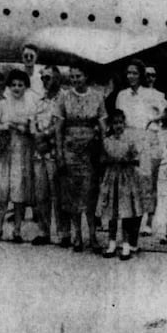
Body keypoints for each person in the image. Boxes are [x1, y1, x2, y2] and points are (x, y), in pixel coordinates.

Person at [113, 60, 167, 242]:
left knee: (145, 187)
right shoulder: (122, 95)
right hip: (127, 142)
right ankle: (125, 236)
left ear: (141, 75)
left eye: (135, 73)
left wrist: (152, 121)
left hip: (146, 142)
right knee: (126, 190)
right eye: (128, 73)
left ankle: (142, 228)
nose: (131, 76)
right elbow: (118, 119)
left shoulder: (152, 94)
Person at [0, 69, 40, 244]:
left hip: (22, 153)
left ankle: (17, 231)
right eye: (13, 85)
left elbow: (34, 129)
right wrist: (4, 126)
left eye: (20, 85)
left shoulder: (30, 105)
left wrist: (26, 129)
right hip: (4, 152)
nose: (17, 88)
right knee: (1, 194)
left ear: (26, 86)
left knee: (19, 194)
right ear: (9, 86)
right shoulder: (3, 104)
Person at [56, 66, 106, 252]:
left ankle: (92, 236)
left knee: (90, 195)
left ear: (86, 76)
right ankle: (77, 236)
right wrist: (60, 154)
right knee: (73, 194)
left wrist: (104, 151)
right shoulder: (64, 96)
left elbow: (102, 125)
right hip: (70, 152)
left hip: (90, 152)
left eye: (79, 76)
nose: (75, 80)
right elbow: (58, 128)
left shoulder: (97, 96)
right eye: (72, 77)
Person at [96, 109, 144, 260]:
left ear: (125, 124)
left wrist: (127, 161)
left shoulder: (129, 141)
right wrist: (110, 161)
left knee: (125, 213)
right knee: (112, 214)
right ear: (110, 125)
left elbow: (137, 159)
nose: (118, 126)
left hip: (125, 179)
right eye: (115, 123)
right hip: (111, 179)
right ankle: (111, 243)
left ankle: (125, 244)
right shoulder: (107, 141)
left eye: (120, 123)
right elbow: (102, 160)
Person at [28, 67, 63, 245]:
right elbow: (32, 122)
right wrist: (36, 135)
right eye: (42, 79)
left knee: (58, 193)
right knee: (41, 193)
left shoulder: (63, 98)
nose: (45, 82)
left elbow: (61, 124)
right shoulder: (39, 100)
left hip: (54, 151)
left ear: (57, 78)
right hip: (39, 152)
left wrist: (46, 135)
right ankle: (44, 231)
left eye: (48, 78)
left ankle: (63, 233)